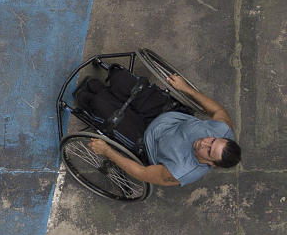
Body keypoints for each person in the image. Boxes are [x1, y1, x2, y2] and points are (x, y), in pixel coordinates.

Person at [87, 74, 241, 187]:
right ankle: (101, 90)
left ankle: (92, 96)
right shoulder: (223, 129)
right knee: (119, 78)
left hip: (145, 139)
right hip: (164, 114)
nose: (204, 143)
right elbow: (216, 109)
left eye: (209, 151)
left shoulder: (180, 172)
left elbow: (142, 173)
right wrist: (186, 88)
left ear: (212, 164)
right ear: (223, 138)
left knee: (98, 102)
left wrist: (107, 151)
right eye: (212, 140)